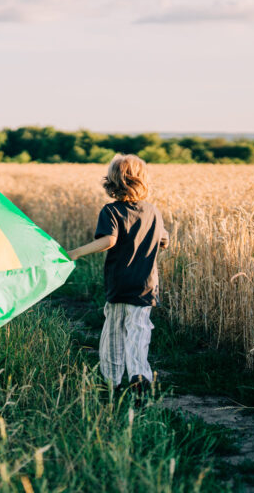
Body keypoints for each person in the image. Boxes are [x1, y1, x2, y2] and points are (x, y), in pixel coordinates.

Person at [68, 154, 169, 396]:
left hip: (118, 283)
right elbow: (164, 241)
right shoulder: (153, 211)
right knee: (139, 330)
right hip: (145, 285)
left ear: (112, 182)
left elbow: (109, 240)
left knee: (113, 331)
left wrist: (76, 253)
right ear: (142, 181)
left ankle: (112, 382)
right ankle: (139, 375)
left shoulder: (111, 211)